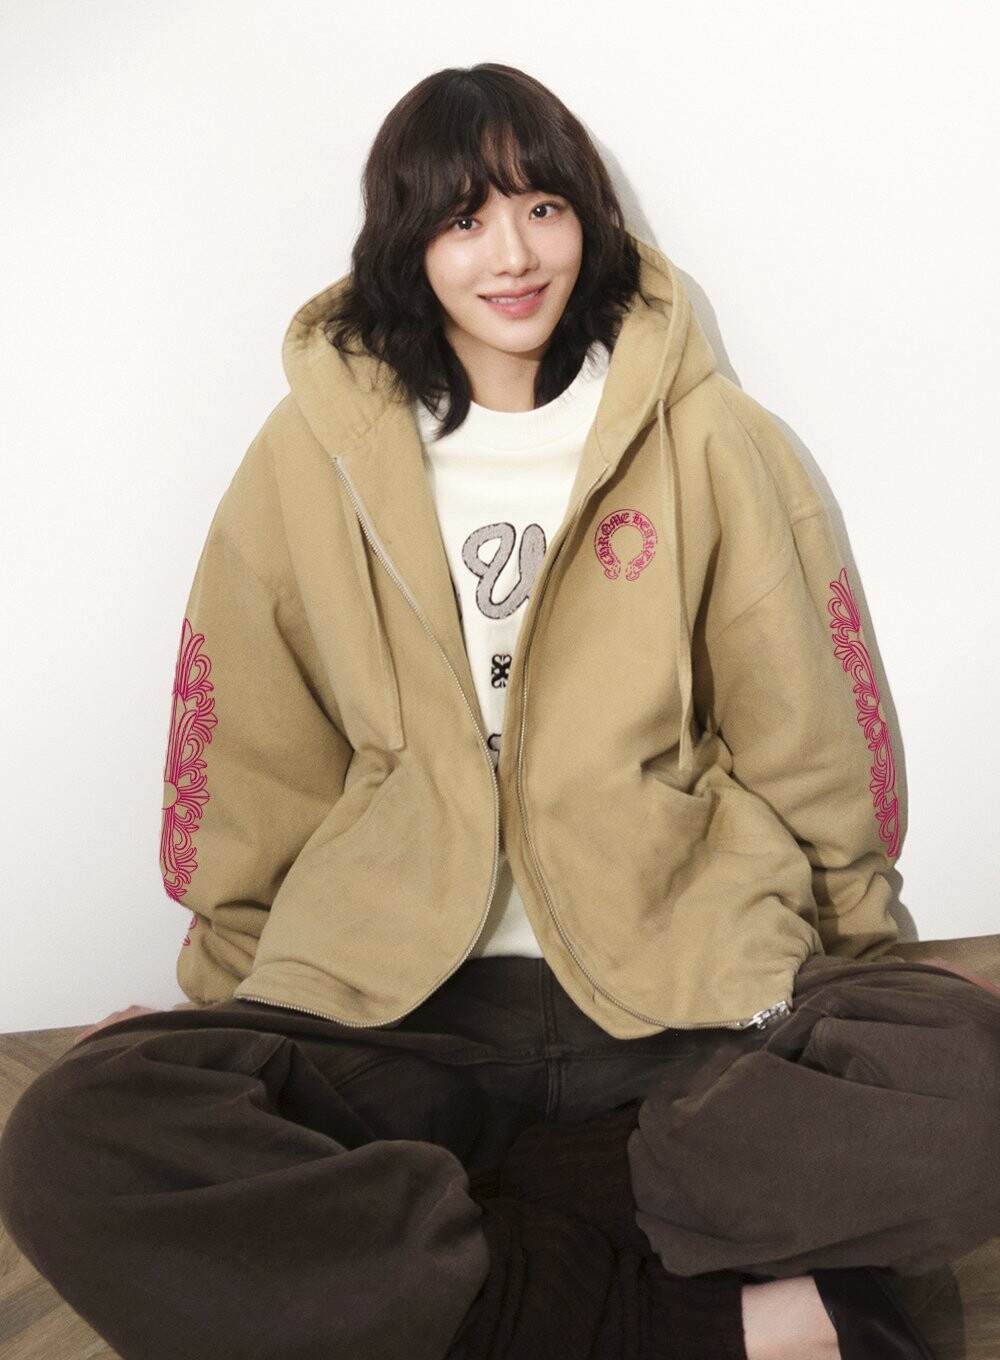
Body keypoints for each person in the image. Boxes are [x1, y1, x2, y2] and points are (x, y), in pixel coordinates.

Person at [1, 62, 998, 1360]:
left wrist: (862, 971)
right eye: (464, 219)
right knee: (75, 1134)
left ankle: (467, 1251)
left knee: (975, 1079)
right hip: (400, 1014)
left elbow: (806, 719)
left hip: (679, 1002)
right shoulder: (311, 455)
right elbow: (249, 744)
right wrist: (216, 1016)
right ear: (408, 243)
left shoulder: (710, 439)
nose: (512, 254)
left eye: (541, 207)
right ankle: (704, 1310)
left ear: (588, 218)